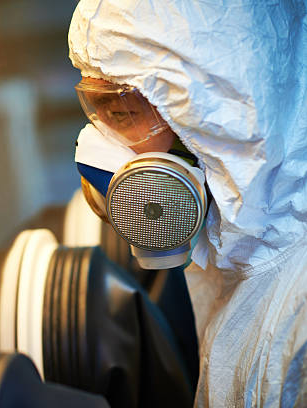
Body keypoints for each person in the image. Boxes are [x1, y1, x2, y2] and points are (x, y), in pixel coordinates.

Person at [68, 0, 307, 406]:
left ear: (223, 118)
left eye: (123, 112)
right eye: (96, 110)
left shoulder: (298, 316)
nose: (102, 145)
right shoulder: (238, 264)